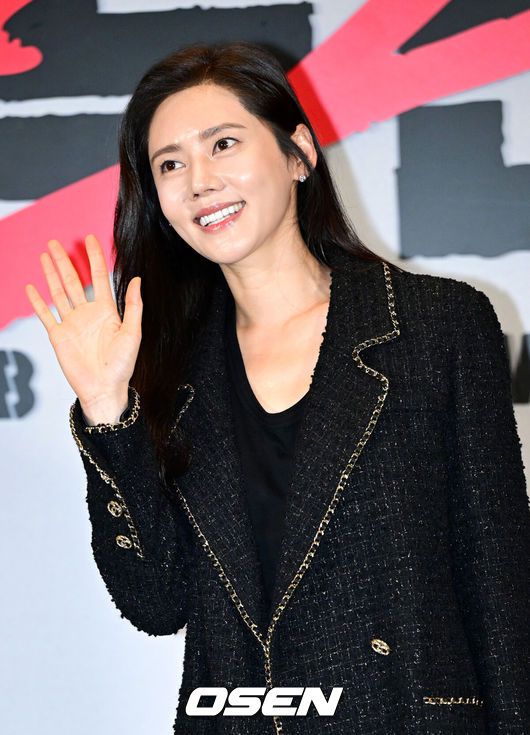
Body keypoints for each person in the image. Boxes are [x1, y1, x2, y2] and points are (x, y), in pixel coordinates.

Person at [25, 41, 529, 735]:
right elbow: (156, 602)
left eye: (223, 144)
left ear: (298, 154)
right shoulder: (170, 369)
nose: (199, 181)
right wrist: (108, 409)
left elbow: (501, 582)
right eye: (170, 164)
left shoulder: (435, 324)